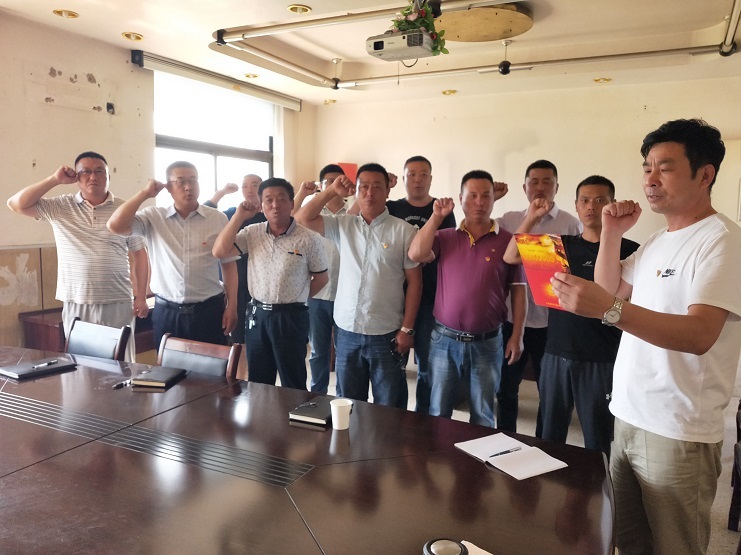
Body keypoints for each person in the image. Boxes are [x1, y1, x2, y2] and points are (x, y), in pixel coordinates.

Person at [551, 119, 741, 555]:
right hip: (629, 415)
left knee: (675, 546)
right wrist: (611, 233)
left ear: (705, 174)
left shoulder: (723, 241)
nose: (650, 179)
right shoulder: (658, 240)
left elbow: (699, 334)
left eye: (665, 168)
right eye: (646, 167)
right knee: (629, 541)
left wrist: (609, 310)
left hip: (678, 427)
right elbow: (610, 288)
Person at [504, 175, 639, 454]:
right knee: (549, 435)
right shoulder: (561, 245)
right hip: (556, 352)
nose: (591, 206)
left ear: (611, 204)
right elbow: (510, 256)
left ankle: (598, 482)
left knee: (598, 437)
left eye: (600, 200)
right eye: (585, 200)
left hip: (602, 357)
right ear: (576, 206)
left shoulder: (629, 250)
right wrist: (531, 217)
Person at [295, 163, 422, 408]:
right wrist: (331, 190)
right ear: (356, 191)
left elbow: (415, 282)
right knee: (348, 405)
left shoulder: (404, 231)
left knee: (389, 406)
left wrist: (407, 329)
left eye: (377, 187)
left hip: (386, 333)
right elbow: (302, 218)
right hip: (347, 331)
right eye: (363, 187)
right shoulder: (343, 225)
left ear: (388, 191)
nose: (369, 193)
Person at [408, 170, 526, 427]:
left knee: (483, 414)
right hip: (444, 340)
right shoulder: (445, 237)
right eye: (472, 196)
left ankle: (477, 455)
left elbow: (519, 290)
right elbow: (416, 254)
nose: (479, 202)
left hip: (488, 342)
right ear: (460, 199)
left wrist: (517, 335)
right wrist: (436, 217)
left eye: (486, 196)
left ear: (494, 199)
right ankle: (439, 452)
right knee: (439, 409)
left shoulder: (509, 241)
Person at [6, 151, 149, 361]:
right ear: (76, 178)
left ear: (108, 176)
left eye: (99, 171)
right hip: (77, 299)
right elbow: (16, 204)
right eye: (86, 172)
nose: (93, 177)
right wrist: (54, 179)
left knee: (121, 363)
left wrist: (141, 296)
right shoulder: (60, 207)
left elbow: (140, 254)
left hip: (117, 299)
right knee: (80, 364)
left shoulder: (124, 209)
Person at [107, 161, 237, 348]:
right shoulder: (153, 217)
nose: (188, 187)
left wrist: (232, 306)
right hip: (167, 312)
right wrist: (144, 193)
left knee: (212, 365)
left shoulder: (218, 218)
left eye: (193, 180)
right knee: (169, 365)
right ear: (168, 187)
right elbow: (115, 226)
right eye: (181, 181)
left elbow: (228, 264)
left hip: (209, 310)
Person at [213, 178, 328, 390]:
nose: (275, 205)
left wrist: (297, 296)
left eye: (281, 199)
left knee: (292, 381)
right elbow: (219, 251)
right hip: (257, 315)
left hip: (291, 317)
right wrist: (239, 216)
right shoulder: (252, 233)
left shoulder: (308, 238)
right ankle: (261, 413)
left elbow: (321, 278)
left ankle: (293, 412)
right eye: (269, 200)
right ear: (261, 205)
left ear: (292, 203)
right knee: (258, 381)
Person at [496, 159, 582, 434]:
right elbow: (481, 231)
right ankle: (504, 437)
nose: (540, 187)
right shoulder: (509, 220)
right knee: (506, 387)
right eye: (534, 182)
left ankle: (543, 442)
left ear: (557, 187)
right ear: (524, 188)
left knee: (550, 391)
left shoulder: (571, 224)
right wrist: (493, 198)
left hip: (552, 322)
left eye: (547, 182)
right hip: (512, 319)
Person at [385, 156, 457, 414]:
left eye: (423, 174)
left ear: (431, 178)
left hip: (431, 298)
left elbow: (449, 252)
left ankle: (423, 416)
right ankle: (396, 415)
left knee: (428, 364)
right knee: (395, 362)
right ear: (403, 178)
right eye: (412, 174)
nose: (417, 179)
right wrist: (385, 187)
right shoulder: (392, 207)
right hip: (395, 297)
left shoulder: (443, 210)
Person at [293, 164, 349, 395]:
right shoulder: (312, 211)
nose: (334, 184)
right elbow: (292, 219)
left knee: (345, 352)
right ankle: (317, 395)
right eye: (328, 181)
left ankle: (344, 397)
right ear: (322, 185)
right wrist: (302, 193)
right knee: (318, 351)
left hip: (346, 295)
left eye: (338, 180)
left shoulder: (353, 212)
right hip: (318, 294)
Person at [204, 174, 266, 345]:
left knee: (260, 336)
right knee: (238, 335)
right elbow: (205, 212)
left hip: (262, 282)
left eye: (254, 185)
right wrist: (222, 192)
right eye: (245, 186)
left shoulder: (270, 215)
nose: (249, 189)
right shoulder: (233, 213)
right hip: (236, 279)